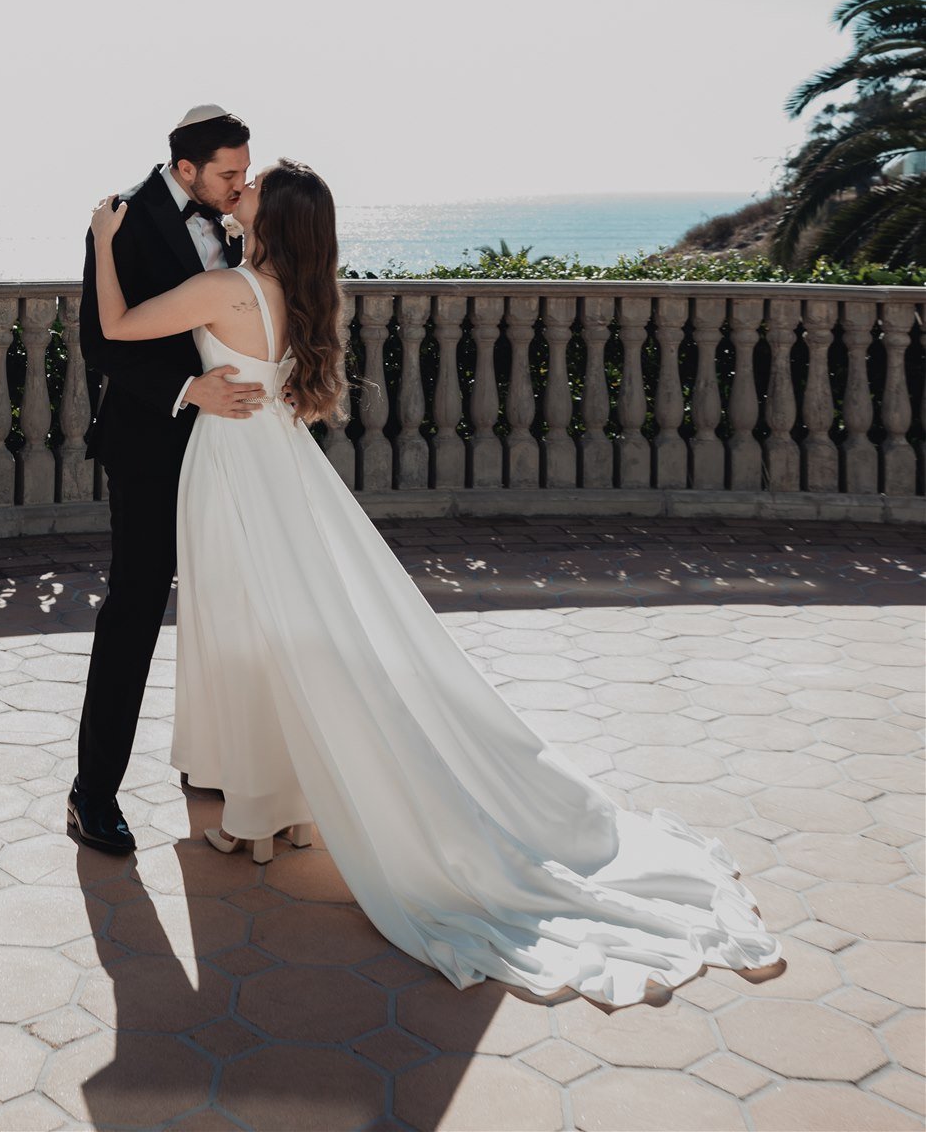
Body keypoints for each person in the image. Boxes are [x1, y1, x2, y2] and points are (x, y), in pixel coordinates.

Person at [86, 160, 784, 1007]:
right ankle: (281, 805)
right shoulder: (292, 289)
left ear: (269, 216)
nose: (241, 192)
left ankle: (260, 809)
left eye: (252, 187)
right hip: (277, 466)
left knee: (244, 631)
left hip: (230, 473)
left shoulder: (227, 288)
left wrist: (101, 239)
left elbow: (116, 325)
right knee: (288, 629)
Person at [68, 105, 264, 856]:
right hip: (152, 442)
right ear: (185, 168)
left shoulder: (236, 218)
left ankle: (213, 760)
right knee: (137, 608)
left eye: (244, 172)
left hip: (232, 444)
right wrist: (189, 390)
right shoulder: (119, 219)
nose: (239, 184)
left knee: (229, 599)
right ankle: (93, 793)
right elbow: (101, 339)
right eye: (227, 174)